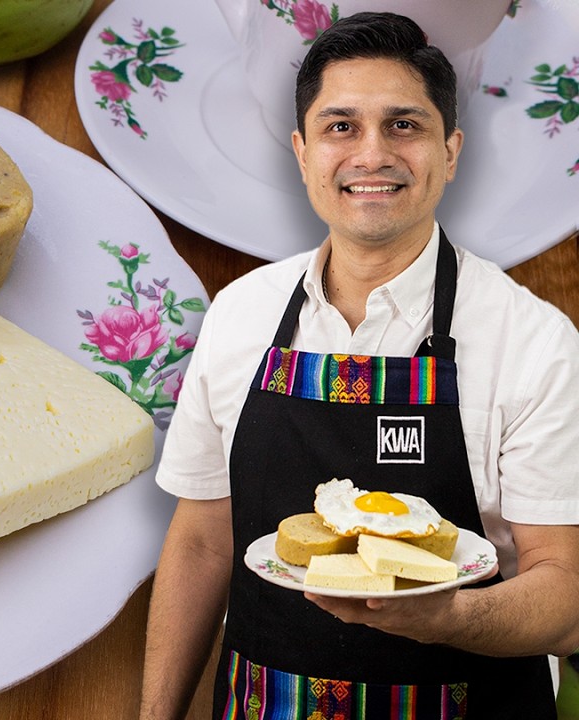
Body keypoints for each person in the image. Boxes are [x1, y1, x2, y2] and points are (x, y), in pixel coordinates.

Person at [139, 11, 579, 719]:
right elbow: (199, 543)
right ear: (302, 151)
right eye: (340, 126)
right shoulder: (241, 313)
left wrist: (448, 620)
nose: (371, 153)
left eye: (404, 124)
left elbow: (567, 600)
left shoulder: (533, 340)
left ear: (452, 150)